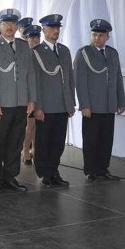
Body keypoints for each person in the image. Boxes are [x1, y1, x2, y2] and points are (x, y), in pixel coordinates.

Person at [0, 8, 36, 193]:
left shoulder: (23, 46)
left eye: (13, 24)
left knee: (15, 141)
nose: (9, 27)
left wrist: (32, 98)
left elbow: (30, 75)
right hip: (1, 103)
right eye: (6, 23)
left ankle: (11, 176)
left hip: (20, 101)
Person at [74, 19, 125, 182]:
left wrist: (121, 101)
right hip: (93, 106)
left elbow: (118, 78)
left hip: (109, 105)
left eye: (100, 35)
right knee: (91, 140)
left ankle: (103, 169)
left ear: (107, 37)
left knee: (106, 139)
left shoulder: (113, 53)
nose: (97, 38)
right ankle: (91, 171)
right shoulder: (83, 53)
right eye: (94, 34)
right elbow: (79, 82)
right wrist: (84, 105)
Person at [31, 14, 75, 188]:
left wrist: (70, 102)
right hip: (46, 106)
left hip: (62, 105)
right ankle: (44, 174)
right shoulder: (36, 52)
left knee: (58, 142)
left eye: (58, 28)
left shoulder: (64, 51)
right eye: (52, 28)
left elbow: (70, 78)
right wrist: (38, 107)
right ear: (44, 30)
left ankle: (54, 171)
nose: (56, 30)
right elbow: (35, 82)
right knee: (43, 142)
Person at [22, 24, 42, 164]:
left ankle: (35, 149)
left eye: (37, 37)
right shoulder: (25, 54)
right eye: (32, 37)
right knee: (30, 125)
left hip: (41, 93)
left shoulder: (42, 52)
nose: (35, 40)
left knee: (37, 125)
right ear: (27, 38)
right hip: (28, 94)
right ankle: (25, 151)